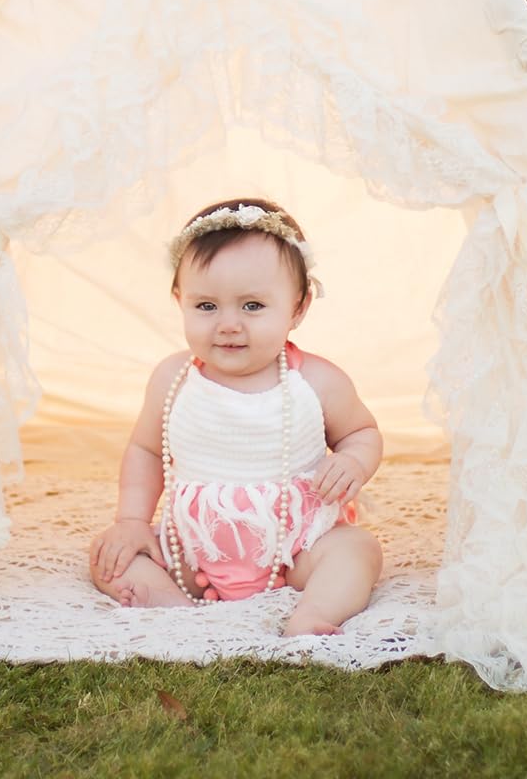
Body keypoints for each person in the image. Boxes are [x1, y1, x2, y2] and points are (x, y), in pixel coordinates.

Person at [87, 198, 384, 636]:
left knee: (358, 550)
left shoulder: (316, 380)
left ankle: (315, 613)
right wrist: (131, 521)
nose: (228, 324)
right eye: (206, 306)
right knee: (109, 555)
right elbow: (146, 450)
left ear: (297, 308)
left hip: (295, 545)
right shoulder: (174, 378)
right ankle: (173, 609)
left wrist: (353, 461)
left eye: (252, 307)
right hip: (193, 543)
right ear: (179, 301)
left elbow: (361, 431)